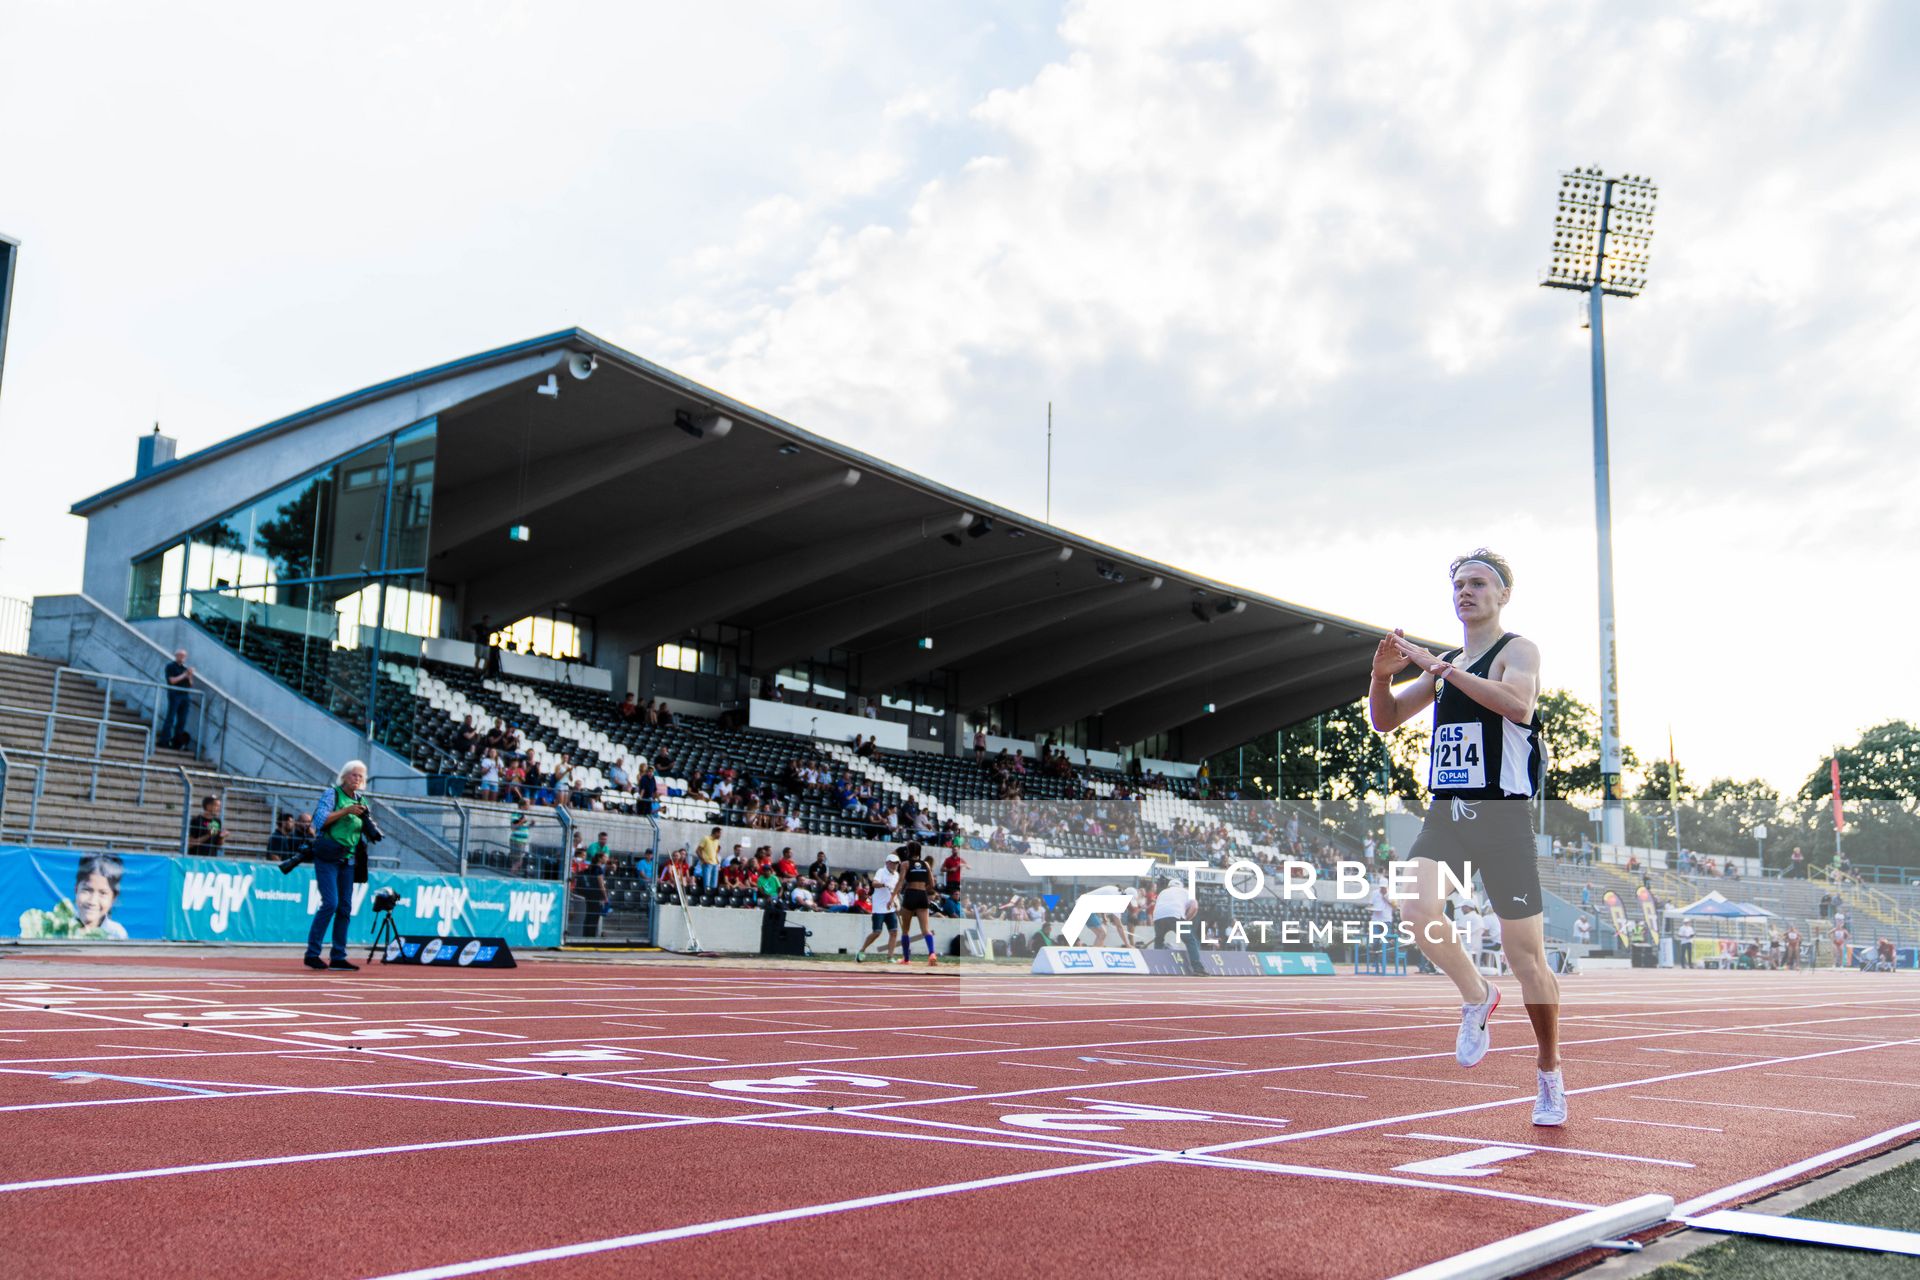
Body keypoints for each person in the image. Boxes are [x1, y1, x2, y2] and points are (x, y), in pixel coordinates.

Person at [1369, 548, 1566, 1126]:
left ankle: (1549, 1072)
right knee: (1416, 909)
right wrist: (1381, 676)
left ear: (1502, 595)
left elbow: (1519, 706)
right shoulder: (1443, 665)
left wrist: (1444, 670)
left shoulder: (1517, 650)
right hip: (1448, 813)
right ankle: (1477, 994)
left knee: (1526, 957)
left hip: (1503, 818)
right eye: (1459, 584)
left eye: (1479, 583)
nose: (1466, 591)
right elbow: (1385, 719)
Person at [305, 760, 375, 972]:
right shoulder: (332, 794)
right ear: (344, 776)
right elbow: (319, 821)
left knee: (345, 907)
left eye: (361, 777)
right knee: (330, 903)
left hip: (349, 859)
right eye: (354, 775)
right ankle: (312, 953)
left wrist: (370, 826)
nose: (357, 779)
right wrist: (346, 811)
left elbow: (363, 828)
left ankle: (338, 955)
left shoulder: (362, 801)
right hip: (328, 857)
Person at [17, 853, 131, 940]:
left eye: (103, 893)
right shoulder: (57, 926)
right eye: (87, 890)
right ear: (76, 890)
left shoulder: (117, 933)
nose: (92, 901)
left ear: (113, 898)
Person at [1151, 874, 1204, 974]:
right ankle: (1197, 968)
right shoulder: (1186, 891)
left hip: (1158, 917)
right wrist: (1187, 919)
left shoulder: (1162, 892)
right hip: (1175, 916)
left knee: (1159, 940)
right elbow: (1195, 907)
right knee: (1190, 940)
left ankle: (1156, 965)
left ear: (1169, 886)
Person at [896, 844, 939, 966]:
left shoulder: (905, 864)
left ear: (908, 851)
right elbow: (932, 883)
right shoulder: (926, 864)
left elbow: (901, 881)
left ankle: (906, 959)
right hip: (922, 895)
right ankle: (932, 953)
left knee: (905, 930)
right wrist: (923, 888)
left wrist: (893, 896)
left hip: (910, 895)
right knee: (925, 929)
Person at [855, 852, 901, 963]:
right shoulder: (881, 871)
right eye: (893, 863)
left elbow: (896, 890)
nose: (895, 865)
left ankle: (890, 957)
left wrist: (895, 901)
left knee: (894, 932)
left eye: (896, 863)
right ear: (887, 863)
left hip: (890, 908)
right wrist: (884, 884)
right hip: (879, 909)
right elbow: (874, 884)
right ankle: (862, 950)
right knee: (877, 932)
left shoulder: (896, 875)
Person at [161, 648, 195, 749]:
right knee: (170, 718)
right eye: (180, 655)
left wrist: (189, 675)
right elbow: (172, 681)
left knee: (182, 720)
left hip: (185, 695)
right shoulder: (171, 667)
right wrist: (184, 675)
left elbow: (190, 684)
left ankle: (177, 741)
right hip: (175, 694)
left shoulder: (185, 668)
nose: (182, 658)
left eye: (184, 656)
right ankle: (165, 740)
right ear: (176, 656)